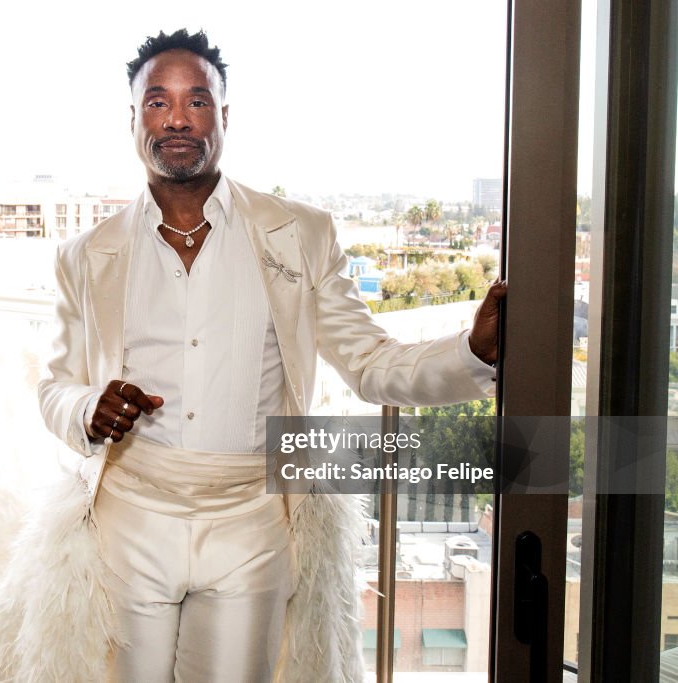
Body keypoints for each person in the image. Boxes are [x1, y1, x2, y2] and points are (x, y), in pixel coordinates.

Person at [38, 28, 504, 682]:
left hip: (251, 518)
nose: (177, 118)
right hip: (129, 515)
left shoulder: (300, 233)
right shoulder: (85, 255)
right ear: (133, 119)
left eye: (197, 101)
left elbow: (369, 363)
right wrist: (88, 406)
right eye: (158, 101)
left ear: (224, 118)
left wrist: (472, 352)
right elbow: (54, 387)